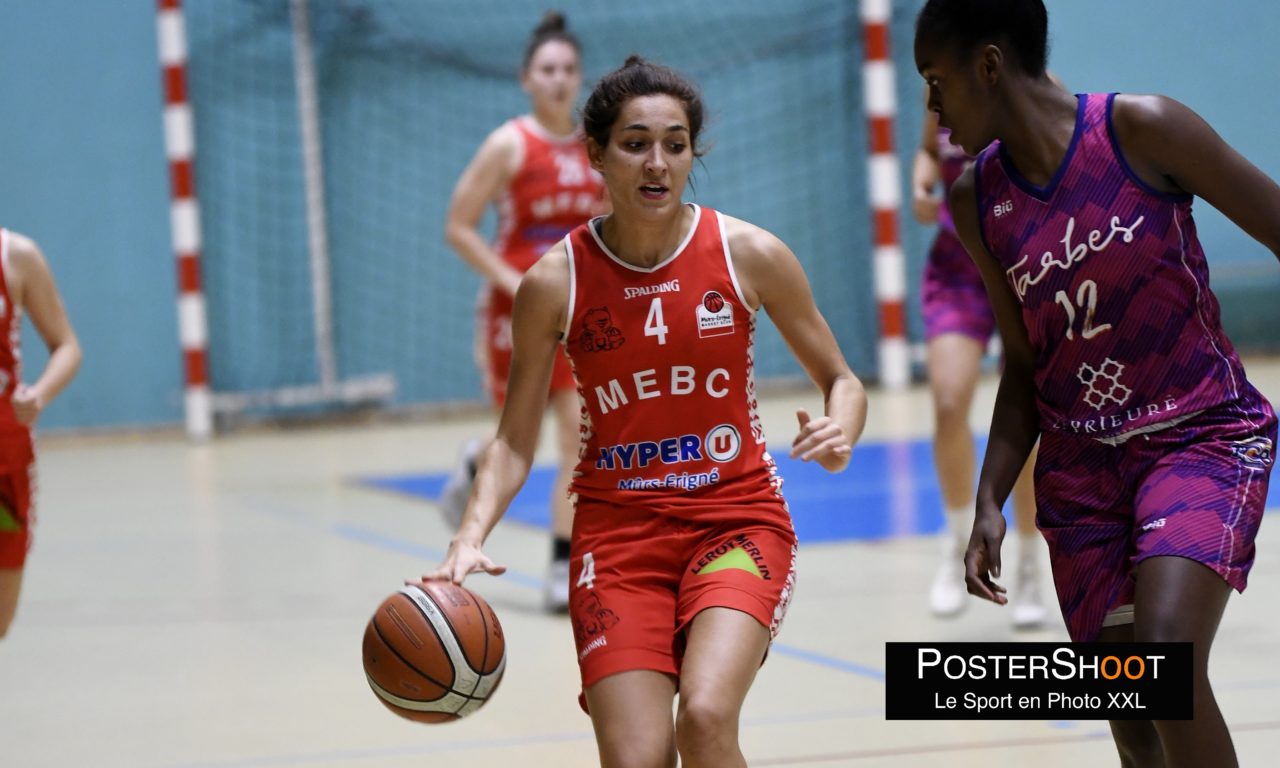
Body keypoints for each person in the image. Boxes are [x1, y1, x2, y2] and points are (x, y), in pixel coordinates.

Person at [424, 56, 866, 768]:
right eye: (635, 143)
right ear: (595, 153)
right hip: (618, 538)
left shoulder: (748, 253)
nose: (657, 162)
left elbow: (842, 379)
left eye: (675, 142)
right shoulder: (552, 283)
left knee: (706, 718)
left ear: (693, 152)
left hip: (735, 519)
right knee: (638, 759)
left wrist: (842, 428)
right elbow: (512, 443)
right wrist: (468, 535)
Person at [915, 1, 1278, 765]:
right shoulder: (975, 200)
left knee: (1163, 664)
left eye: (937, 81)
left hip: (1200, 435)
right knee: (1134, 718)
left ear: (989, 65)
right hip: (1082, 473)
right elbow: (1024, 364)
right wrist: (989, 496)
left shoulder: (1142, 129)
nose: (933, 108)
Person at [439, 11, 605, 612]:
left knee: (577, 433)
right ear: (526, 78)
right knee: (520, 435)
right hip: (518, 308)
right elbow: (458, 226)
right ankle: (475, 460)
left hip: (580, 305)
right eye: (547, 69)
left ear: (579, 77)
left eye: (568, 69)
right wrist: (513, 281)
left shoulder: (596, 144)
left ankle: (562, 565)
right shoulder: (510, 143)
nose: (559, 79)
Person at [911, 89, 1046, 627]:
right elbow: (928, 149)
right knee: (948, 401)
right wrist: (921, 181)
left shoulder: (1033, 81)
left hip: (1021, 263)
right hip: (957, 270)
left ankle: (1033, 563)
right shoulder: (940, 86)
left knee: (1031, 409)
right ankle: (954, 545)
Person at [0, 229, 82, 640]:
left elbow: (67, 345)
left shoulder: (17, 255)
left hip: (6, 458)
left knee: (1, 618)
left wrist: (39, 394)